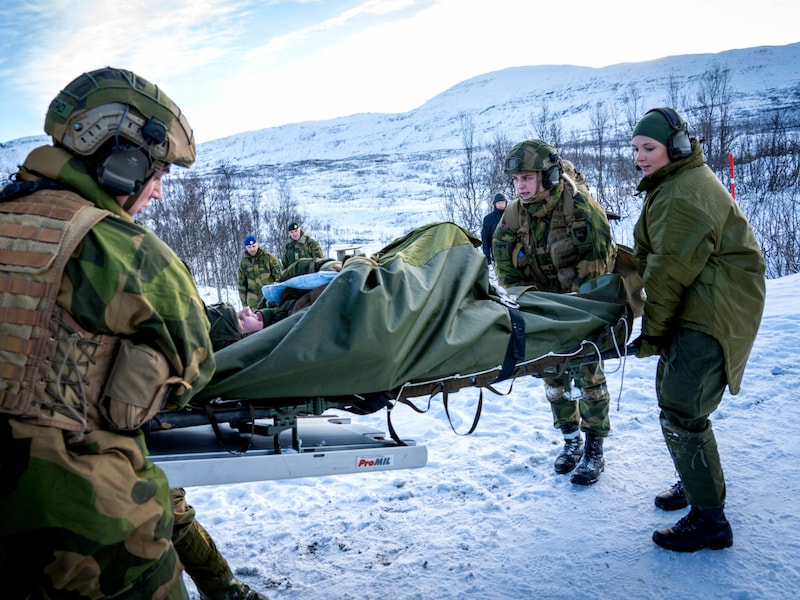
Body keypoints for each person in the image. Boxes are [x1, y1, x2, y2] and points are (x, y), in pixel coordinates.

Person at [0, 67, 265, 599]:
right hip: (92, 548)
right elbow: (194, 369)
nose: (160, 192)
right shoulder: (130, 252)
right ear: (122, 163)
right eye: (158, 174)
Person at [630, 107, 766, 552]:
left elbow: (668, 273)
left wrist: (652, 333)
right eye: (635, 149)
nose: (640, 157)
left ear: (677, 147)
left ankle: (710, 521)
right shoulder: (673, 183)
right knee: (676, 399)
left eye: (649, 148)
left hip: (713, 308)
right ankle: (695, 483)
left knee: (682, 406)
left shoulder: (683, 194)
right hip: (702, 299)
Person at [492, 139, 616, 486]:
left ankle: (594, 447)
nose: (521, 187)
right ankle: (570, 439)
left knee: (588, 378)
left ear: (548, 175)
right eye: (516, 180)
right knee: (553, 380)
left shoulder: (580, 210)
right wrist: (531, 302)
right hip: (541, 310)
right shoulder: (514, 215)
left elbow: (597, 270)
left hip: (581, 308)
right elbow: (504, 268)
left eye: (527, 179)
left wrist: (573, 311)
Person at [238, 235, 281, 309]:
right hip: (253, 301)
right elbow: (242, 284)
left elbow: (279, 277)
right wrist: (244, 304)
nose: (252, 249)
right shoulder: (244, 262)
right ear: (246, 248)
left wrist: (279, 295)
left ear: (257, 244)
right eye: (249, 247)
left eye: (253, 246)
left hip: (269, 298)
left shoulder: (269, 258)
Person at [481, 192, 507, 265]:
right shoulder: (489, 219)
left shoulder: (511, 215)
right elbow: (485, 238)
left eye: (502, 202)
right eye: (499, 203)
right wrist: (487, 255)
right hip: (497, 254)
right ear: (495, 204)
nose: (501, 205)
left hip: (513, 253)